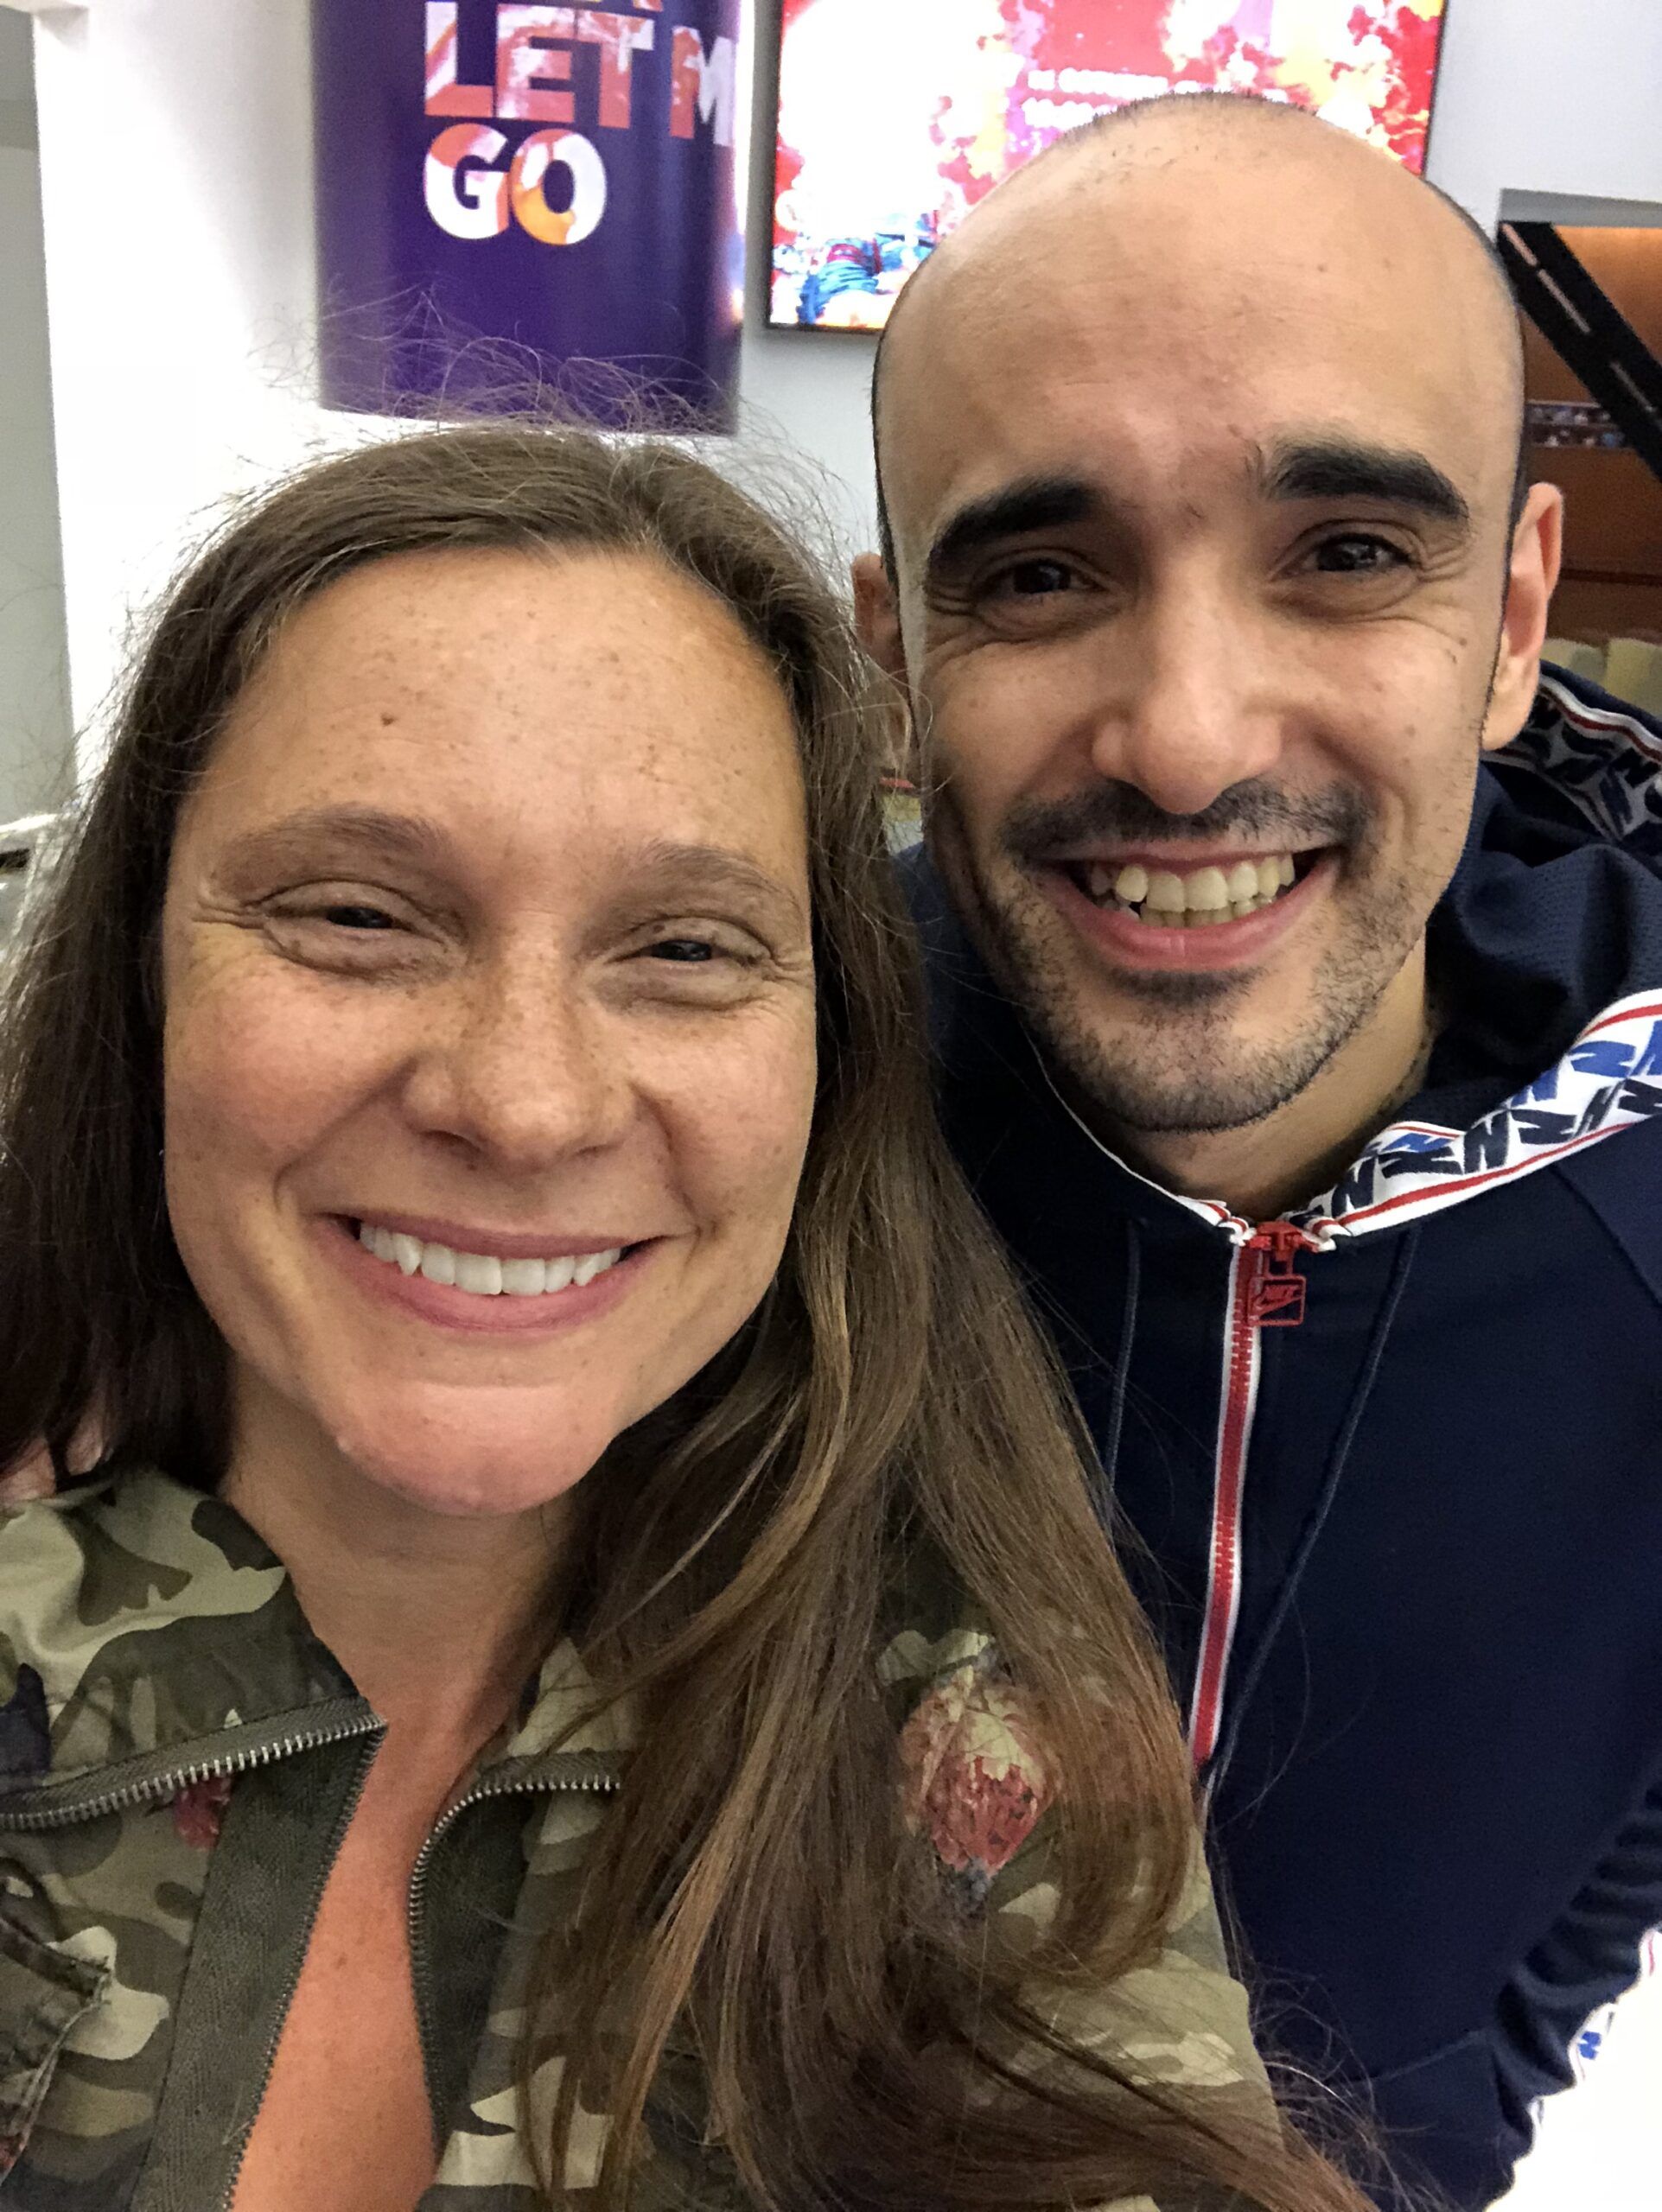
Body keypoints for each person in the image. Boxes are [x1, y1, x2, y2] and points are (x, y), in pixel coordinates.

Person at [0, 425, 1370, 2212]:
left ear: (826, 1058)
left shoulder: (969, 1770)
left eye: (683, 946)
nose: (525, 1103)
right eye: (355, 913)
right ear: (143, 981)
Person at [854, 92, 1662, 2212]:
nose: (1188, 737)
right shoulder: (729, 1139)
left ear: (1509, 622)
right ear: (892, 660)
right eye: (1039, 574)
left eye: (1346, 553)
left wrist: (1454, 2100)